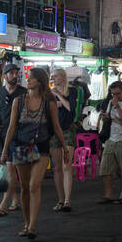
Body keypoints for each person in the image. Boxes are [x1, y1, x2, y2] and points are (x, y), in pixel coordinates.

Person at [0, 67, 68, 238]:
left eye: (30, 78)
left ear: (39, 81)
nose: (27, 81)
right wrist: (5, 150)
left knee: (34, 185)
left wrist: (65, 147)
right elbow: (11, 127)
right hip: (20, 146)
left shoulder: (49, 102)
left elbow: (57, 127)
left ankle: (32, 226)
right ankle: (26, 222)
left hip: (41, 147)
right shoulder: (18, 101)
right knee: (24, 187)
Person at [0, 64, 25, 215]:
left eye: (16, 73)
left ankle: (4, 204)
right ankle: (14, 200)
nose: (14, 75)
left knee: (14, 171)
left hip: (19, 138)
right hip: (2, 138)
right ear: (4, 76)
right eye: (11, 73)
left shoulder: (23, 93)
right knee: (8, 170)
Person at [98, 81, 122, 204]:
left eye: (118, 94)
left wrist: (118, 106)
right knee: (105, 168)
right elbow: (110, 117)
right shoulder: (111, 101)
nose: (115, 97)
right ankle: (108, 194)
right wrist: (104, 117)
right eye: (113, 94)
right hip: (111, 138)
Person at [49, 68, 79, 213]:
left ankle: (67, 200)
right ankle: (61, 200)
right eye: (52, 77)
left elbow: (70, 108)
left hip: (67, 130)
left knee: (67, 165)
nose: (53, 79)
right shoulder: (49, 94)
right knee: (57, 168)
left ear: (62, 77)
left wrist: (59, 96)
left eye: (55, 76)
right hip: (54, 132)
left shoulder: (71, 91)